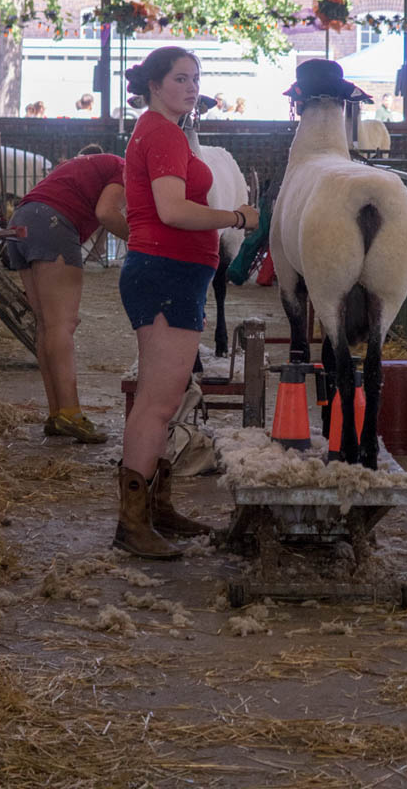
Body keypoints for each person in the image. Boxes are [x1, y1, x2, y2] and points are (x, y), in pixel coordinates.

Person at [116, 46, 259, 559]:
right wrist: (236, 219)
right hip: (165, 272)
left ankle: (156, 508)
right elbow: (173, 210)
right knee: (156, 401)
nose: (192, 87)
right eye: (180, 79)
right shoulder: (160, 133)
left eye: (196, 79)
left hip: (175, 274)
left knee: (168, 396)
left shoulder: (165, 132)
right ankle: (132, 523)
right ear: (155, 85)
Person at [6, 151, 128, 443]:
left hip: (22, 219)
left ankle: (57, 413)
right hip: (52, 223)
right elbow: (107, 212)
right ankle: (71, 413)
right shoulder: (125, 168)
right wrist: (143, 240)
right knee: (62, 324)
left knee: (46, 324)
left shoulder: (90, 164)